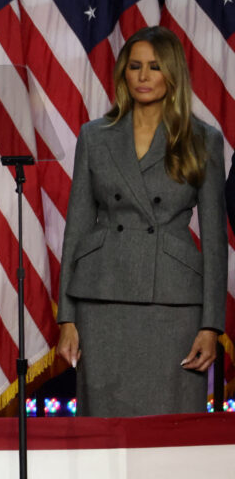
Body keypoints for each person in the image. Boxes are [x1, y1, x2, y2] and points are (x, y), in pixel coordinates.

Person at [57, 26, 226, 417]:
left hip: (173, 302)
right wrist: (67, 316)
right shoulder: (95, 136)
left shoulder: (203, 139)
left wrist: (211, 326)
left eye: (154, 67)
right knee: (104, 430)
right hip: (101, 300)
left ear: (172, 74)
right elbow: (77, 228)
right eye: (135, 67)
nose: (144, 76)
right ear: (123, 73)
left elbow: (216, 242)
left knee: (171, 432)